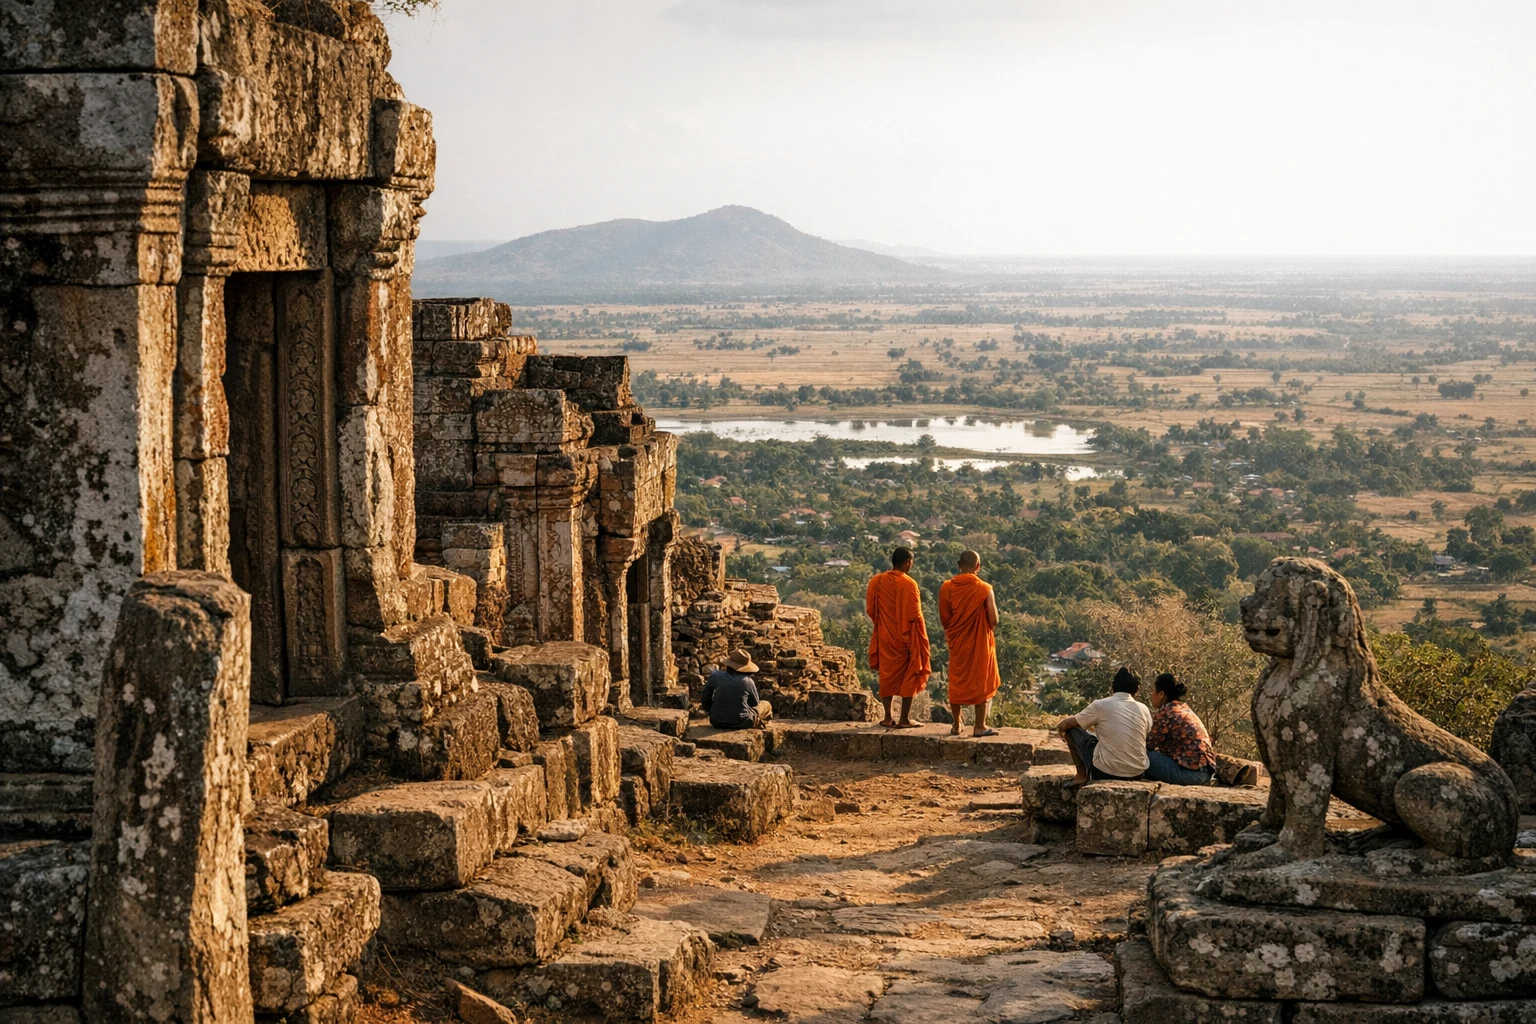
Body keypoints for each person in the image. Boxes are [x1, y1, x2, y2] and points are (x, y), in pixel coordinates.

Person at [865, 547, 931, 729]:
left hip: (885, 636)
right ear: (908, 562)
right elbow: (914, 614)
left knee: (886, 676)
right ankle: (904, 719)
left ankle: (887, 717)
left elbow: (871, 609)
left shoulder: (876, 581)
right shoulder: (909, 584)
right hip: (905, 639)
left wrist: (885, 623)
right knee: (910, 675)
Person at [939, 549, 1002, 737]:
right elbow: (994, 619)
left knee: (957, 680)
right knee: (981, 679)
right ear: (978, 567)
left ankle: (957, 723)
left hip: (957, 642)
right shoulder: (985, 588)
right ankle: (979, 725)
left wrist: (956, 630)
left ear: (959, 565)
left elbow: (945, 618)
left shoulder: (946, 587)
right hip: (980, 641)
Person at [1056, 666, 1151, 787]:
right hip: (1138, 773)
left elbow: (1068, 724)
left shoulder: (1101, 705)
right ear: (1136, 689)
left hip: (1105, 772)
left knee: (1071, 730)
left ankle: (1081, 776)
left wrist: (1061, 727)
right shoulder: (1144, 709)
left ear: (1113, 687)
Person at [1143, 672, 1216, 786]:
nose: (1151, 695)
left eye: (1153, 691)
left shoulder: (1166, 713)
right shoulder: (1183, 709)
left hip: (1189, 774)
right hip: (1205, 773)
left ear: (1161, 694)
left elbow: (1148, 745)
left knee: (1139, 753)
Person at [702, 649, 773, 730]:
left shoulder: (715, 676)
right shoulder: (748, 681)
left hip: (716, 721)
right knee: (766, 705)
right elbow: (754, 703)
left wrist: (714, 711)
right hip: (742, 722)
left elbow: (705, 699)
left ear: (728, 664)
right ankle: (761, 724)